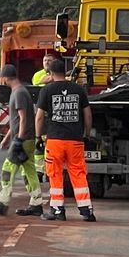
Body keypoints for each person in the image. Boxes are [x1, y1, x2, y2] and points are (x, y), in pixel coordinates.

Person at [35, 58, 96, 221]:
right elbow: (88, 114)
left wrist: (37, 137)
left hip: (54, 140)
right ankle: (86, 211)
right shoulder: (78, 89)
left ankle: (57, 210)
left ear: (50, 73)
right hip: (75, 140)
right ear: (65, 71)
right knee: (78, 173)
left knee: (55, 173)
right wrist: (87, 134)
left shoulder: (46, 90)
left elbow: (40, 117)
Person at [0, 64, 44, 217]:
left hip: (23, 139)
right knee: (29, 171)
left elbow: (23, 119)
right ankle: (36, 202)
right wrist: (7, 138)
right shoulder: (20, 91)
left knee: (7, 169)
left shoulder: (19, 93)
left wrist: (18, 140)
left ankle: (2, 202)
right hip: (26, 139)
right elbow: (16, 121)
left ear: (6, 78)